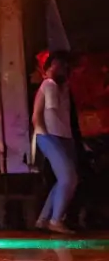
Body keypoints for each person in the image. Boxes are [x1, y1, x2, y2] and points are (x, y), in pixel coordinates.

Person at [33, 50, 78, 234]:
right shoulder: (47, 85)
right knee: (69, 178)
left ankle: (43, 219)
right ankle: (56, 220)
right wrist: (43, 134)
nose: (61, 68)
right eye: (56, 64)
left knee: (63, 179)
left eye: (63, 65)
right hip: (49, 136)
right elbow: (36, 115)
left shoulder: (64, 87)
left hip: (64, 137)